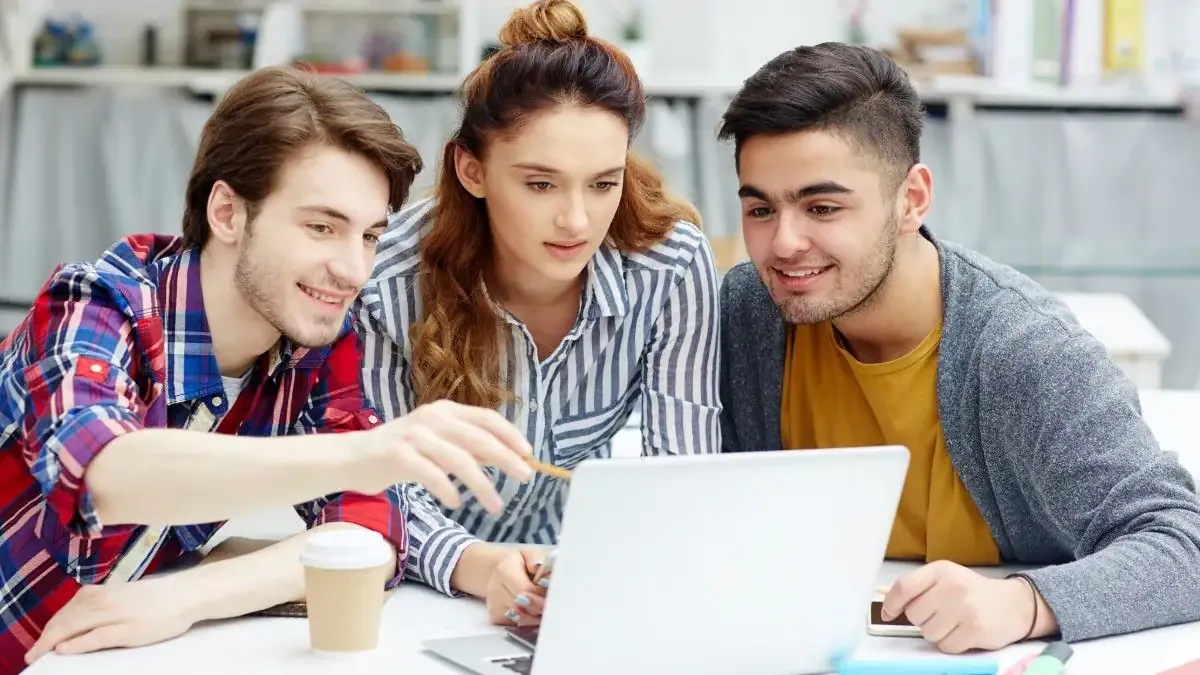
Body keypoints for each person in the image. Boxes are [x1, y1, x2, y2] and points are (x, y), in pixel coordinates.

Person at [0, 67, 534, 673]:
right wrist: (365, 453)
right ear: (228, 212)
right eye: (321, 227)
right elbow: (104, 473)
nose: (353, 271)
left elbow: (372, 533)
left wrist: (185, 596)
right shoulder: (95, 303)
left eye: (368, 236)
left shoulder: (312, 344)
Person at [716, 42, 1200, 653]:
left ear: (912, 199)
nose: (784, 243)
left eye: (823, 207)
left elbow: (1184, 545)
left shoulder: (1025, 353)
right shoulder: (750, 312)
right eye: (761, 209)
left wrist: (1024, 603)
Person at [357, 0, 720, 628]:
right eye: (540, 184)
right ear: (472, 170)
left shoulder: (670, 264)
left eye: (602, 184)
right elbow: (378, 489)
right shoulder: (384, 278)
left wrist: (605, 569)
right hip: (413, 593)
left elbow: (681, 477)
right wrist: (482, 567)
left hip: (571, 585)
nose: (576, 221)